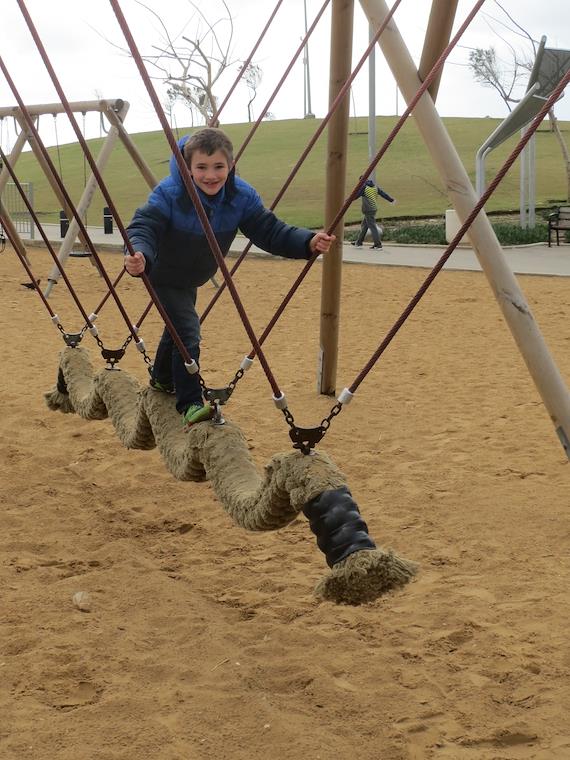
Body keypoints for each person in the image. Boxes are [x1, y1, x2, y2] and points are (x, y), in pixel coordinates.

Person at [124, 127, 335, 429]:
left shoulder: (240, 196)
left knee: (177, 328)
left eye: (218, 166)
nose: (211, 175)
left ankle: (161, 379)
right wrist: (140, 254)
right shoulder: (169, 193)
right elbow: (144, 226)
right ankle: (190, 403)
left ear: (231, 165)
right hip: (162, 272)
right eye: (201, 167)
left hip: (194, 274)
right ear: (187, 167)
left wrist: (307, 241)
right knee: (187, 330)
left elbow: (269, 230)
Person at [351, 176, 396, 249]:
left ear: (361, 181)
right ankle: (358, 242)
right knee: (364, 226)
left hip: (368, 210)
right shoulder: (375, 187)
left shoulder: (364, 187)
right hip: (373, 209)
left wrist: (347, 201)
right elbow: (383, 194)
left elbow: (356, 196)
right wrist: (391, 200)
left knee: (372, 227)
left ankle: (378, 245)